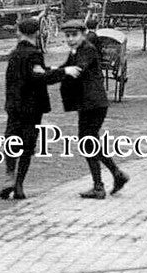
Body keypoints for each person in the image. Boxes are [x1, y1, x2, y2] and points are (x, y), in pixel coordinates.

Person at [51, 20, 129, 199]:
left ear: (83, 34)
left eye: (74, 35)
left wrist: (61, 72)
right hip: (90, 103)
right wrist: (48, 72)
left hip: (93, 104)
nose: (70, 39)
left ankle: (99, 186)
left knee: (87, 143)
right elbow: (66, 68)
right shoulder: (77, 50)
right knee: (89, 142)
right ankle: (116, 175)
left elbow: (78, 69)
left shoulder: (87, 49)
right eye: (67, 36)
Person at [0, 19, 59, 200]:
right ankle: (19, 185)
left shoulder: (14, 54)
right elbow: (37, 76)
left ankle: (9, 175)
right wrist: (57, 73)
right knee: (28, 145)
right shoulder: (35, 54)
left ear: (19, 32)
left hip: (14, 105)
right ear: (37, 33)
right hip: (32, 107)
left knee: (11, 139)